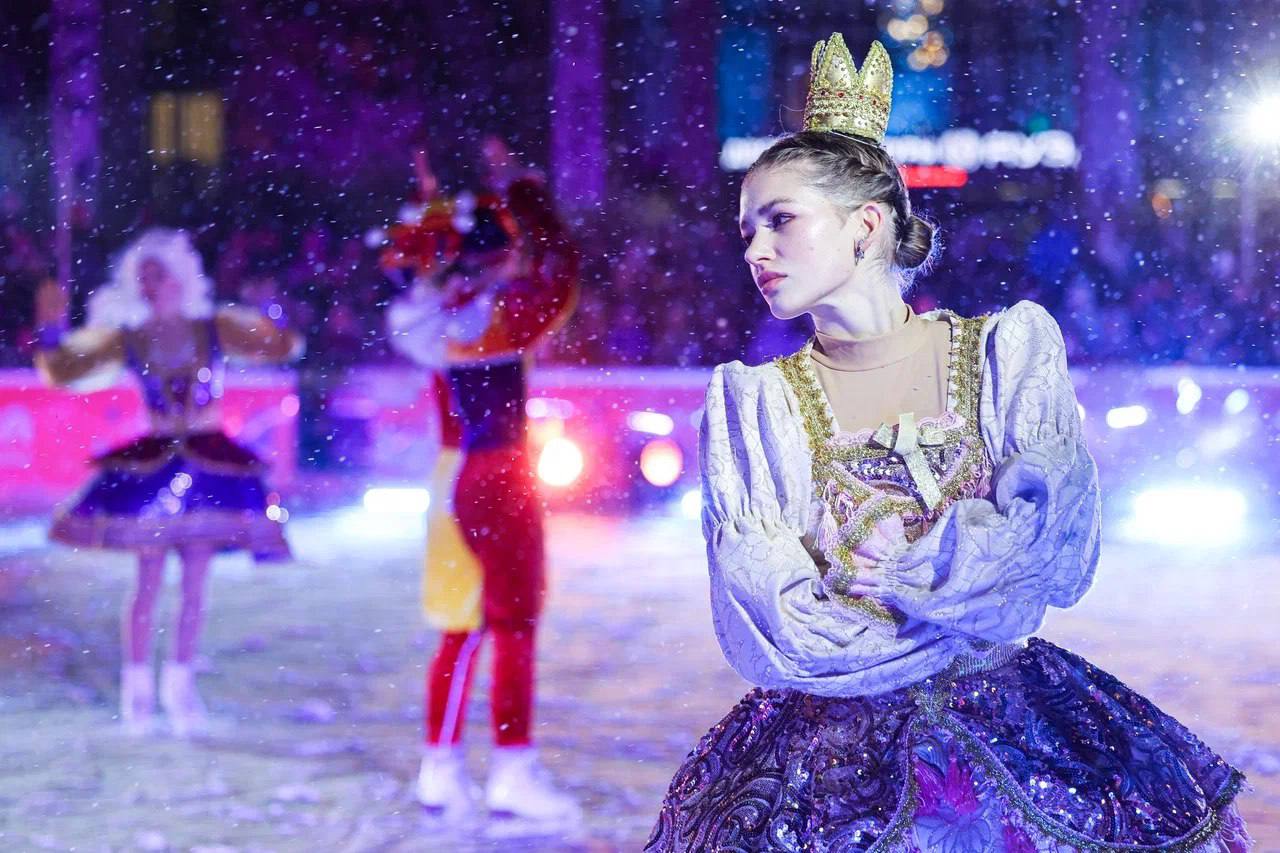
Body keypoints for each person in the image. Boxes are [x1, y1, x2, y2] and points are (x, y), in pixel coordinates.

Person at [647, 35, 1250, 852]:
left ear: (865, 226)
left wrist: (906, 583)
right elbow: (779, 621)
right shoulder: (755, 405)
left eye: (781, 220)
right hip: (826, 769)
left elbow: (1047, 552)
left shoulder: (1005, 356)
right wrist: (950, 599)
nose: (755, 250)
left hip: (1011, 736)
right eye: (748, 228)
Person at [33, 228, 301, 737]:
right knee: (149, 580)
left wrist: (272, 309)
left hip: (209, 466)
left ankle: (180, 687)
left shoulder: (214, 328)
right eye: (144, 276)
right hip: (156, 467)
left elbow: (278, 346)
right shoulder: (129, 338)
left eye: (158, 274)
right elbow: (64, 370)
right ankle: (137, 688)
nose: (151, 284)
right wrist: (49, 326)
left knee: (195, 583)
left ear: (180, 277)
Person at [385, 149, 580, 822]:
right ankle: (511, 767)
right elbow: (563, 272)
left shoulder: (442, 314)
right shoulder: (499, 314)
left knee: (464, 628)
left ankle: (444, 765)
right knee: (513, 625)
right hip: (498, 472)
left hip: (463, 470)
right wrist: (526, 194)